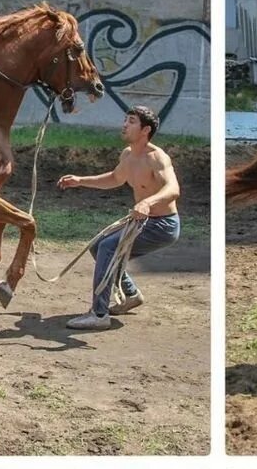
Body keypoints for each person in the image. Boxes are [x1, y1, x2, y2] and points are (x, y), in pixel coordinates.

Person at [57, 106, 181, 330]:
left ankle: (99, 313)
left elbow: (173, 189)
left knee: (108, 248)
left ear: (145, 130)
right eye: (125, 119)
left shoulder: (157, 157)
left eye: (131, 121)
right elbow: (115, 178)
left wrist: (147, 202)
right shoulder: (128, 155)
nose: (124, 124)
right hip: (142, 222)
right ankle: (131, 294)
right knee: (99, 247)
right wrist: (80, 180)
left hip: (163, 225)